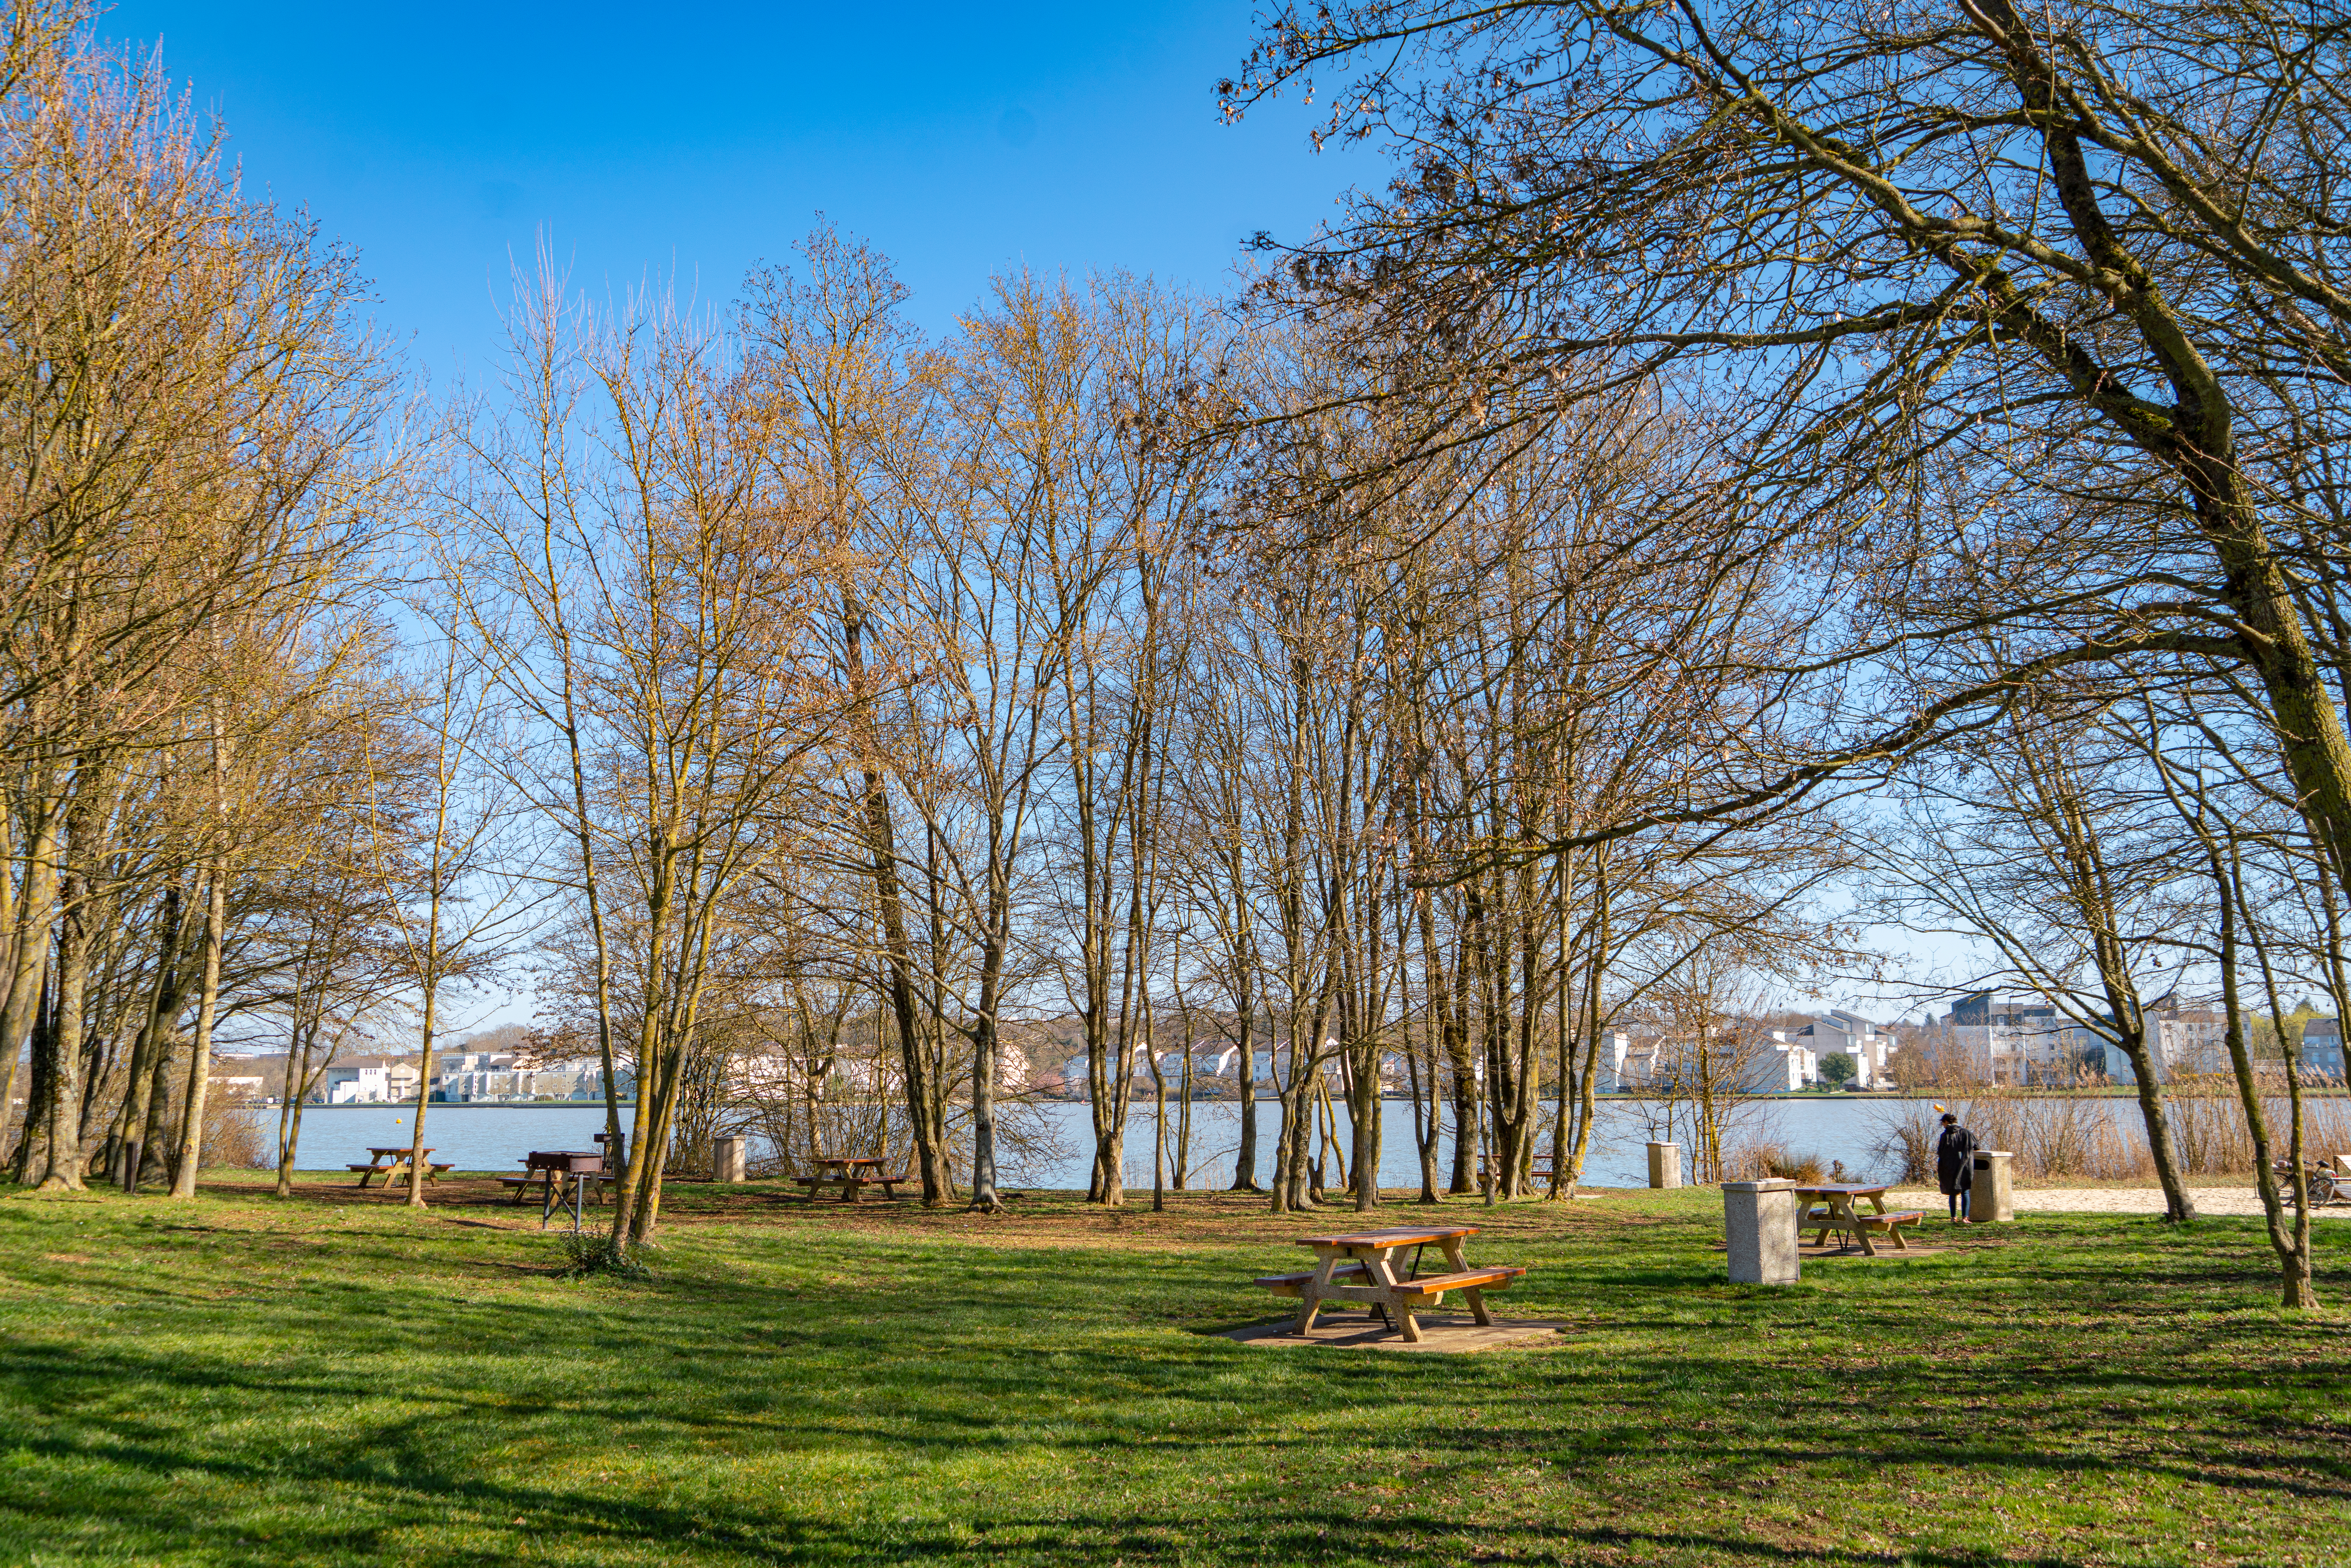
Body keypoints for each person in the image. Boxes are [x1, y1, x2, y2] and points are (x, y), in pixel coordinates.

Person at [1935, 1112, 1979, 1221]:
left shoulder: (1945, 1136)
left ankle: (1953, 1218)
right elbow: (1977, 1146)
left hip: (1950, 1167)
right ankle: (1965, 1218)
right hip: (1965, 1166)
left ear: (1946, 1122)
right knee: (1965, 1191)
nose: (1943, 1126)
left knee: (1953, 1192)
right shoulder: (1967, 1133)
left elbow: (1940, 1152)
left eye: (1943, 1123)